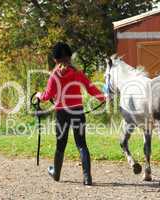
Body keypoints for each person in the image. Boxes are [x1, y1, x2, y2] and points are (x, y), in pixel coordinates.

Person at [35, 42, 106, 186]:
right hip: (78, 112)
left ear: (55, 59)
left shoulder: (54, 74)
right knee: (81, 144)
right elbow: (91, 88)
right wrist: (103, 98)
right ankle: (87, 178)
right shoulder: (77, 72)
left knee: (60, 145)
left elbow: (48, 95)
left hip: (62, 113)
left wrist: (38, 95)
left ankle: (56, 174)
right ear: (69, 56)